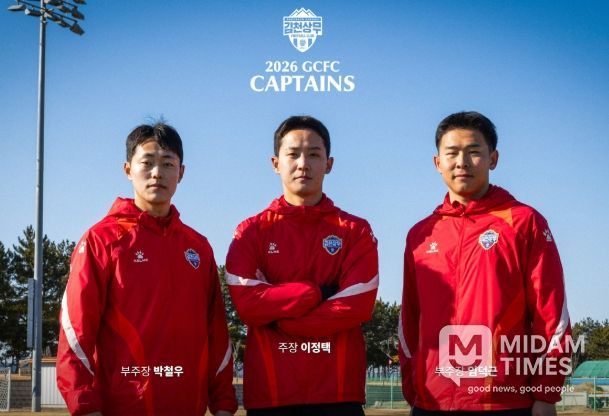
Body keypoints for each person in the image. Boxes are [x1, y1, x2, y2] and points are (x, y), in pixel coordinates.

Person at [56, 123, 237, 415]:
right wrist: (85, 405)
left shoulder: (198, 247)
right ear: (128, 169)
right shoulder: (101, 240)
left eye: (168, 164)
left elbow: (217, 333)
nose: (157, 173)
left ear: (181, 173)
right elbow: (75, 333)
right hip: (123, 407)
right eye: (147, 162)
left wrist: (224, 404)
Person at [399, 111, 571, 416]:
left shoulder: (524, 222)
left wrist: (547, 393)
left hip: (505, 401)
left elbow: (551, 314)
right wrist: (413, 389)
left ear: (493, 158)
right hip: (430, 402)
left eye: (473, 151)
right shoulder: (420, 234)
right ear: (437, 162)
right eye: (452, 153)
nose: (462, 162)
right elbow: (409, 320)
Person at [225, 115, 378, 416]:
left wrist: (282, 321)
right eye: (293, 154)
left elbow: (358, 304)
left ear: (329, 164)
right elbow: (248, 305)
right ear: (275, 163)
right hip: (271, 396)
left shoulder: (355, 231)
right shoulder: (251, 232)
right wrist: (314, 293)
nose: (303, 164)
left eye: (314, 154)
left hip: (338, 396)